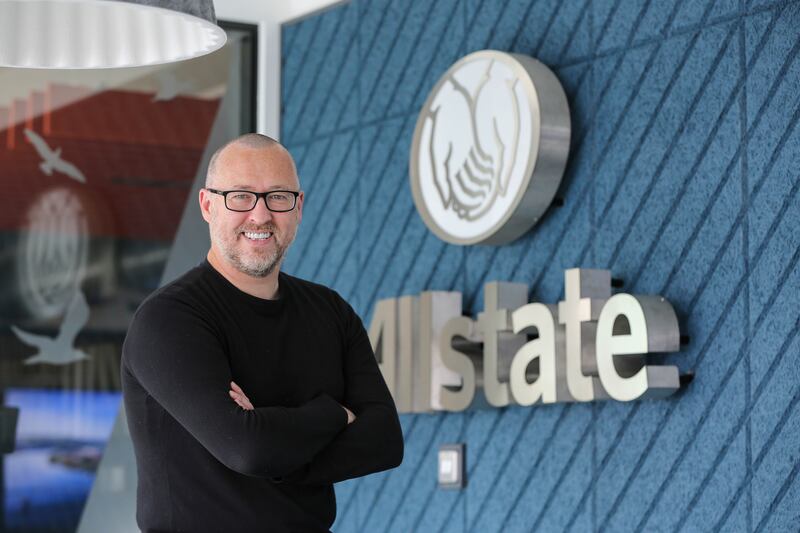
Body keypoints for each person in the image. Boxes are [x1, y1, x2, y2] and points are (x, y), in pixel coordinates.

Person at [121, 134, 404, 533]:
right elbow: (247, 449)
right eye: (240, 196)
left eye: (278, 197)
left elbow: (385, 441)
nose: (260, 215)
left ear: (298, 207)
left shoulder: (330, 311)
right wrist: (334, 413)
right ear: (207, 205)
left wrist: (275, 445)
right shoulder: (169, 319)